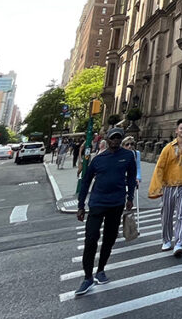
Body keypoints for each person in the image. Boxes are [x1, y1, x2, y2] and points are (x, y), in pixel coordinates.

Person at [75, 128, 136, 298]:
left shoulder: (128, 156)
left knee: (109, 239)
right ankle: (87, 277)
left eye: (119, 138)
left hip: (116, 203)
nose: (116, 141)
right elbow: (86, 182)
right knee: (91, 239)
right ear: (107, 140)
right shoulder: (98, 160)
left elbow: (131, 177)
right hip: (97, 203)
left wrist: (130, 197)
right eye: (113, 138)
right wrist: (81, 205)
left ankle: (100, 270)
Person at [147, 119, 182, 257]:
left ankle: (179, 243)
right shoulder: (168, 148)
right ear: (176, 131)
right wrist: (157, 186)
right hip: (169, 185)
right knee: (167, 214)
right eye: (181, 128)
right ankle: (166, 239)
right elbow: (160, 167)